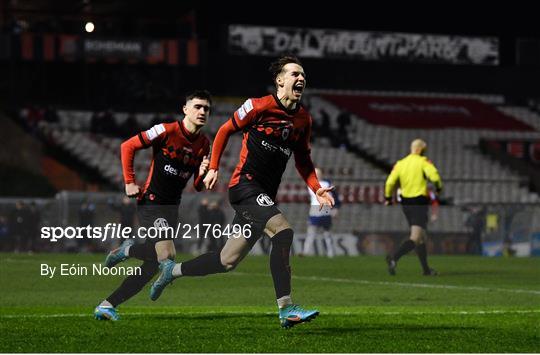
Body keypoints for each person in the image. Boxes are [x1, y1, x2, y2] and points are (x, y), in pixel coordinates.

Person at [150, 56, 335, 328]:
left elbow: (303, 159)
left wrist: (317, 188)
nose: (301, 79)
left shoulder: (303, 120)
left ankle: (172, 271)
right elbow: (225, 130)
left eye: (303, 75)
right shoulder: (259, 106)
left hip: (263, 196)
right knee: (283, 232)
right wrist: (213, 167)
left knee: (227, 260)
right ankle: (286, 308)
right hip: (244, 186)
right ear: (280, 80)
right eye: (295, 74)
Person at [93, 90, 212, 321]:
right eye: (197, 106)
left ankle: (107, 305)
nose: (202, 112)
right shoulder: (166, 130)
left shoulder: (204, 145)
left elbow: (197, 186)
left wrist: (203, 176)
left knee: (150, 267)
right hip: (152, 201)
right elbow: (127, 146)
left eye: (206, 109)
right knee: (167, 255)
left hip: (172, 208)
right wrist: (129, 182)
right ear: (185, 109)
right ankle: (126, 251)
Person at [384, 139, 442, 276]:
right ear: (422, 149)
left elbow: (389, 182)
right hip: (419, 202)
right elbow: (434, 176)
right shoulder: (423, 162)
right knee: (416, 237)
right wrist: (439, 188)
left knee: (421, 237)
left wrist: (388, 198)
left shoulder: (400, 164)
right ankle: (394, 258)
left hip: (406, 203)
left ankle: (426, 270)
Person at [301, 168, 341, 257]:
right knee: (311, 232)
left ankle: (331, 253)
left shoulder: (328, 184)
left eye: (318, 173)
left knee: (327, 233)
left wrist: (336, 208)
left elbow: (336, 197)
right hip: (314, 210)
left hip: (325, 210)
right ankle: (305, 252)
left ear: (321, 174)